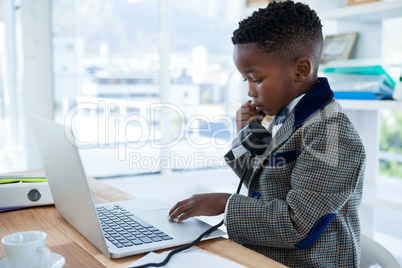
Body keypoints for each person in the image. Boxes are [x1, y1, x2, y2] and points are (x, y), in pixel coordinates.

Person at [168, 1, 366, 267]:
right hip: (262, 257)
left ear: (300, 70)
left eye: (257, 79)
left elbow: (298, 226)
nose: (250, 91)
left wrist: (224, 203)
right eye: (245, 80)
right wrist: (245, 137)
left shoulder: (333, 134)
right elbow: (265, 185)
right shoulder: (287, 113)